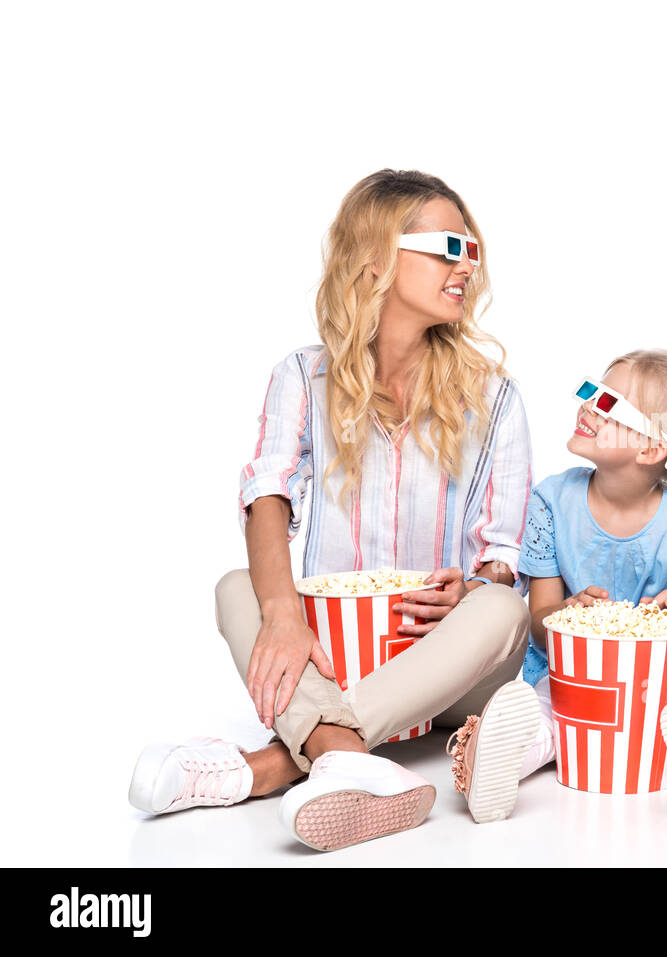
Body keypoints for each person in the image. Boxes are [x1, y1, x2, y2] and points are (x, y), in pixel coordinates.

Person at [127, 169, 533, 851]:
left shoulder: (495, 398)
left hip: (451, 671)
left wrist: (477, 584)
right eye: (446, 245)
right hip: (335, 655)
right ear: (374, 257)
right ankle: (349, 756)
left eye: (473, 248)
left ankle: (269, 765)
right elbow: (267, 494)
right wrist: (284, 614)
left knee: (504, 609)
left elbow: (504, 557)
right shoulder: (302, 375)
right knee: (238, 587)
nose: (466, 264)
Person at [444, 351, 667, 832]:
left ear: (650, 449)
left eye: (606, 402)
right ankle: (493, 763)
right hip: (571, 681)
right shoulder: (552, 501)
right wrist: (564, 613)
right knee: (547, 715)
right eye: (590, 391)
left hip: (664, 687)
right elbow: (539, 626)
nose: (588, 406)